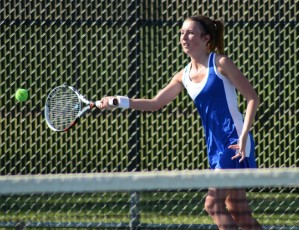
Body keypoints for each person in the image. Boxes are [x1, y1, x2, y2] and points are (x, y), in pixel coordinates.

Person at [97, 15, 262, 230]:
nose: (184, 37)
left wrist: (243, 137)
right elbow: (156, 103)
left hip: (234, 142)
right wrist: (119, 101)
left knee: (212, 205)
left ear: (205, 39)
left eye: (190, 32)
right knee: (239, 213)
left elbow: (253, 98)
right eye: (182, 33)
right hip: (215, 146)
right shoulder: (183, 76)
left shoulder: (221, 63)